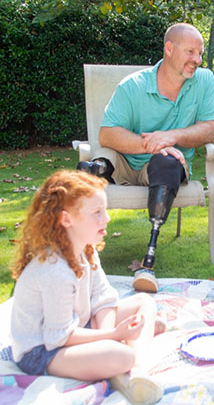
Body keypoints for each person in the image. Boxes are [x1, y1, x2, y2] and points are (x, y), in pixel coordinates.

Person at [77, 23, 214, 293]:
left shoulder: (203, 81)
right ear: (169, 49)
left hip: (166, 165)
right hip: (124, 160)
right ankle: (73, 246)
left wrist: (170, 137)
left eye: (200, 53)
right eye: (191, 51)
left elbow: (211, 128)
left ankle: (149, 260)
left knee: (168, 162)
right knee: (96, 165)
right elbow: (107, 134)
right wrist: (153, 144)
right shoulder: (133, 86)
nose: (197, 59)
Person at [10, 170, 165, 405]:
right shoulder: (54, 270)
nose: (107, 218)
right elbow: (58, 337)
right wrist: (114, 335)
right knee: (122, 354)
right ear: (66, 219)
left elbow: (102, 297)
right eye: (97, 212)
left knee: (144, 302)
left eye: (105, 210)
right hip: (42, 350)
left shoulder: (86, 248)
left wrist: (110, 335)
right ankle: (121, 367)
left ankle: (138, 374)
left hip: (77, 325)